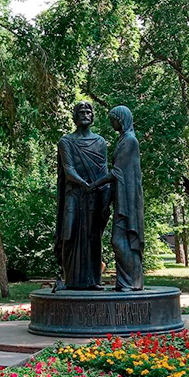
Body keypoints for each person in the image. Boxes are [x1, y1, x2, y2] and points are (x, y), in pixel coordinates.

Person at [55, 102, 111, 290]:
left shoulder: (100, 142)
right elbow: (69, 169)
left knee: (92, 237)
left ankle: (93, 280)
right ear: (75, 116)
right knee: (69, 234)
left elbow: (104, 171)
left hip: (94, 195)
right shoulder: (66, 142)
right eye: (81, 112)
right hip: (75, 194)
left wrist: (105, 197)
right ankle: (70, 279)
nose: (85, 115)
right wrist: (84, 184)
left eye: (89, 112)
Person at [91, 105, 144, 291]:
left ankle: (131, 282)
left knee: (121, 239)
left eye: (113, 119)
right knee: (122, 239)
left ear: (120, 119)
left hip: (129, 197)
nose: (111, 123)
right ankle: (127, 282)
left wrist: (94, 184)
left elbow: (117, 171)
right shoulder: (123, 140)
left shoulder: (130, 141)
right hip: (122, 194)